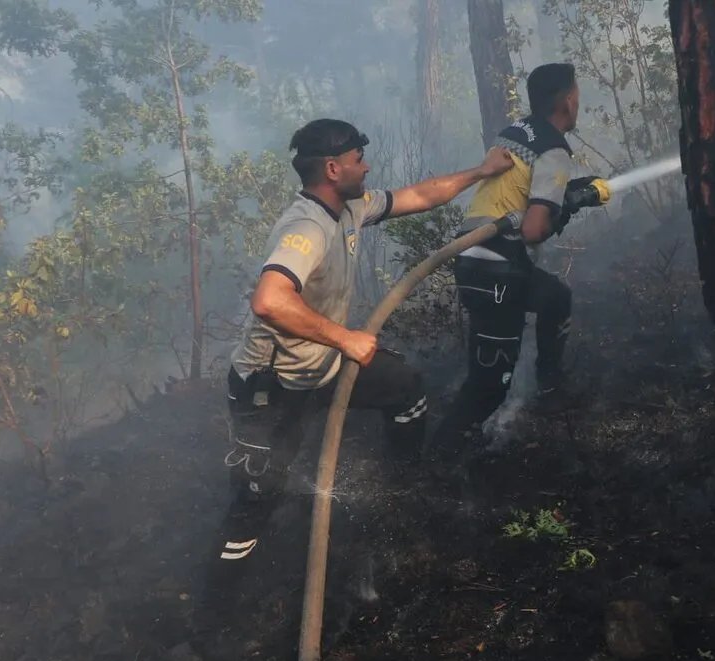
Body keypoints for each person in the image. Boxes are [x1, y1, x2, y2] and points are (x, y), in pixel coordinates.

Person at [212, 119, 513, 576]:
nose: (367, 167)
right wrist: (345, 338)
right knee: (257, 496)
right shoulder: (306, 226)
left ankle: (404, 488)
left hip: (322, 365)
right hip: (271, 387)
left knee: (405, 388)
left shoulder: (351, 208)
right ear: (333, 169)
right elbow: (269, 301)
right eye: (358, 161)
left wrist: (482, 171)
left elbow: (420, 195)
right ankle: (219, 603)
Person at [432, 63, 597, 453]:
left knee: (554, 296)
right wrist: (570, 204)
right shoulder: (554, 149)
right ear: (569, 102)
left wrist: (567, 194)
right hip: (497, 267)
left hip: (477, 258)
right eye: (578, 96)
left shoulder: (517, 132)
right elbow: (534, 229)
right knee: (488, 387)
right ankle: (437, 460)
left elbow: (516, 193)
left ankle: (550, 386)